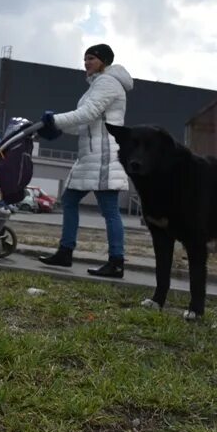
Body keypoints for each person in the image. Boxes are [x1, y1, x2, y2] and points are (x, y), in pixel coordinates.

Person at [37, 44, 134, 277]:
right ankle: (65, 251)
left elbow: (88, 114)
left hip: (104, 155)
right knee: (69, 200)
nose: (86, 63)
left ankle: (116, 260)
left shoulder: (107, 83)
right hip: (89, 155)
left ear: (103, 61)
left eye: (91, 58)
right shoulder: (95, 86)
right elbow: (85, 124)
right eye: (84, 59)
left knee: (109, 209)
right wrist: (59, 128)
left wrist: (55, 120)